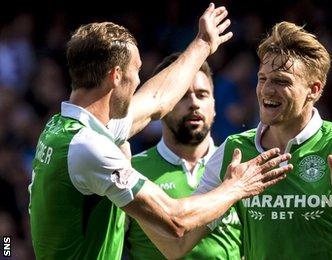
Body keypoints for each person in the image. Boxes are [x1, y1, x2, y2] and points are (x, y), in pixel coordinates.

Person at [29, 4, 292, 259]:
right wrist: (236, 187)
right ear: (116, 76)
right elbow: (174, 221)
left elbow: (157, 99)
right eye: (137, 71)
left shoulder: (67, 128)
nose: (138, 81)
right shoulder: (89, 146)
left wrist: (202, 44)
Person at [145, 21, 332, 260]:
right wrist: (126, 185)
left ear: (313, 90)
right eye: (262, 79)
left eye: (281, 81)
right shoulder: (234, 152)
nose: (267, 90)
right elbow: (176, 245)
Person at [125, 53, 241, 259]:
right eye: (183, 95)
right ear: (162, 106)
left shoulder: (237, 170)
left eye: (202, 94)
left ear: (214, 106)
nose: (194, 103)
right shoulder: (130, 171)